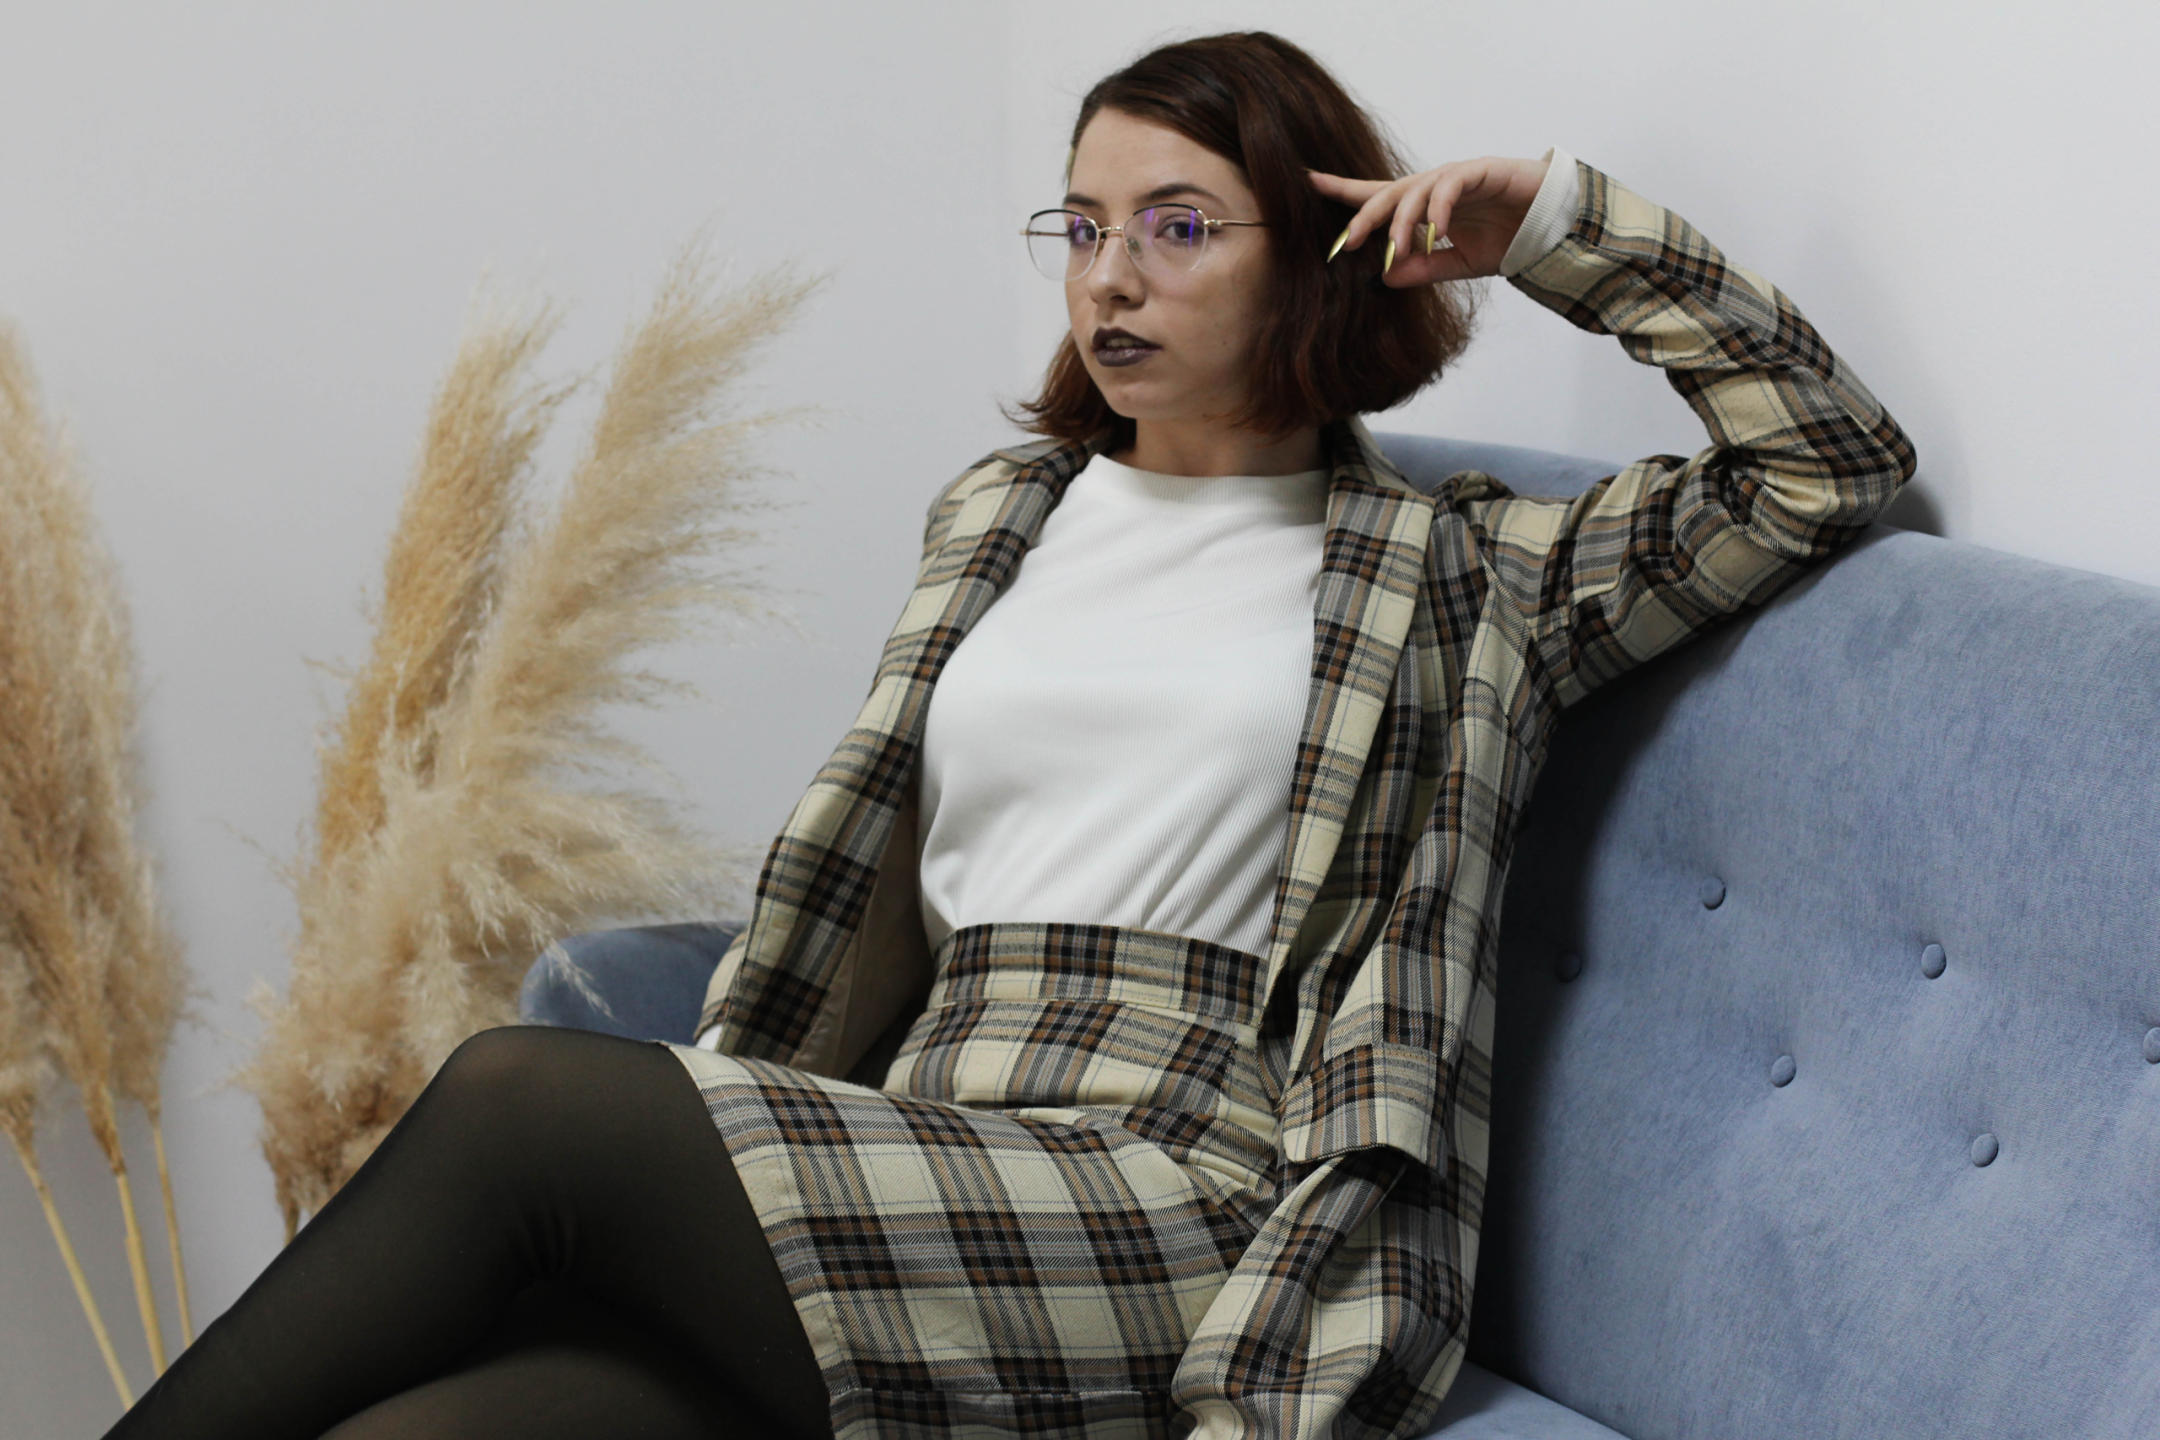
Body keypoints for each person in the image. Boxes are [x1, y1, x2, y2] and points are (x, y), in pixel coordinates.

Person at [101, 29, 1915, 1440]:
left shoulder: (1473, 574)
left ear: (1316, 257)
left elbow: (1824, 460)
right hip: (912, 1149)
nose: (1112, 276)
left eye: (1179, 228)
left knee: (525, 1099)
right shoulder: (1003, 513)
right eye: (1085, 227)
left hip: (1188, 1194)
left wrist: (1555, 234)